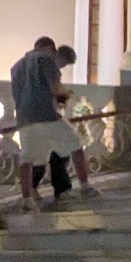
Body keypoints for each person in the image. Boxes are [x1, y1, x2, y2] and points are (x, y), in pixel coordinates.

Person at [9, 35, 97, 211]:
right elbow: (54, 86)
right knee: (75, 144)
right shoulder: (46, 58)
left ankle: (27, 199)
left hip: (24, 118)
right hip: (46, 114)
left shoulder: (16, 66)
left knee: (28, 159)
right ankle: (85, 187)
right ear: (50, 48)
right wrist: (64, 95)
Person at [32, 44, 80, 204]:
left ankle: (33, 188)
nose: (63, 66)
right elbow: (55, 90)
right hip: (48, 117)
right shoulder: (51, 70)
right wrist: (64, 95)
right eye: (64, 63)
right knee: (66, 146)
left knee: (44, 152)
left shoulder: (39, 69)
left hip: (38, 116)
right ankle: (61, 188)